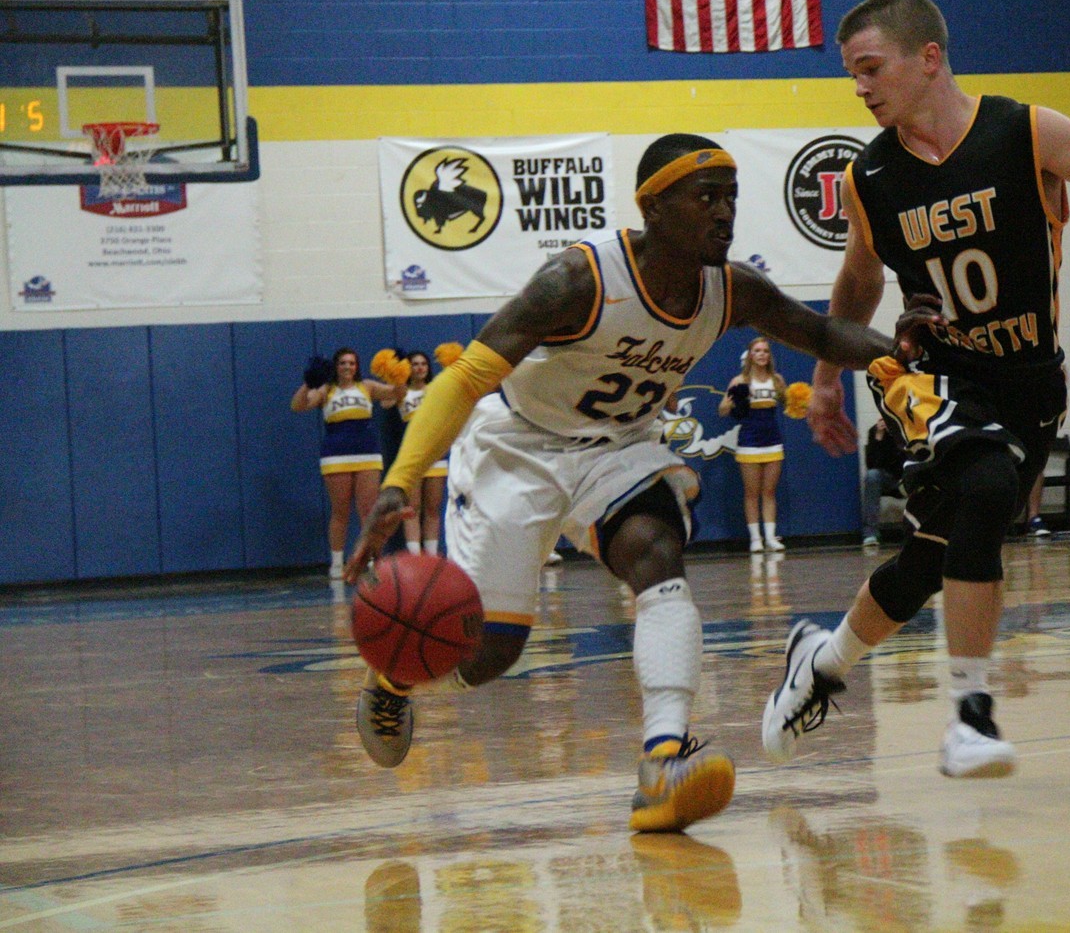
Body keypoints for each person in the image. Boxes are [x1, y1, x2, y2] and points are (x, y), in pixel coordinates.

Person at [342, 134, 933, 832]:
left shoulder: (732, 288)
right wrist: (401, 479)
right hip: (520, 449)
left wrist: (893, 360)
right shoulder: (580, 278)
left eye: (732, 197)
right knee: (487, 654)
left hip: (618, 449)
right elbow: (468, 377)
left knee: (658, 553)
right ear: (654, 209)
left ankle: (663, 761)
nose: (724, 212)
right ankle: (395, 674)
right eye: (706, 197)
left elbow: (821, 331)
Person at [764, 0, 1070, 778]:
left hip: (1029, 383)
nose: (862, 88)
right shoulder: (869, 176)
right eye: (854, 77)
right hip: (932, 376)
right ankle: (970, 714)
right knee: (980, 490)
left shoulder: (1024, 131)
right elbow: (860, 282)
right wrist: (828, 379)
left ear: (929, 57)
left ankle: (823, 660)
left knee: (935, 555)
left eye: (872, 69)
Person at [291, 348, 406, 576]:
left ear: (357, 366)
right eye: (343, 363)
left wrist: (398, 377)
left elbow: (398, 393)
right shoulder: (326, 390)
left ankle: (371, 559)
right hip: (336, 456)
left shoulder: (368, 386)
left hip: (367, 454)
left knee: (368, 511)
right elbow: (298, 405)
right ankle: (336, 562)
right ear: (336, 366)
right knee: (340, 511)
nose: (347, 367)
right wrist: (307, 383)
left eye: (352, 363)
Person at [718, 337, 788, 553]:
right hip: (748, 441)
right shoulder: (740, 381)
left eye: (765, 351)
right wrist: (726, 404)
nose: (761, 354)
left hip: (772, 441)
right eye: (757, 350)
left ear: (769, 355)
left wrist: (799, 400)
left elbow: (789, 403)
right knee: (751, 492)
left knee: (769, 492)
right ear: (750, 355)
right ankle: (755, 539)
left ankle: (770, 537)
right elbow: (722, 410)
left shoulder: (777, 380)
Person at [387, 349, 451, 554]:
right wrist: (396, 379)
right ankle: (415, 557)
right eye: (415, 364)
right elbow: (385, 402)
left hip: (436, 454)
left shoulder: (435, 388)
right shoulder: (401, 392)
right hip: (413, 456)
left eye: (423, 363)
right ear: (408, 368)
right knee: (412, 509)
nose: (420, 367)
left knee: (433, 509)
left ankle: (431, 556)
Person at [861, 416, 906, 547]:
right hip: (888, 479)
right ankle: (870, 533)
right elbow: (872, 465)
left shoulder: (907, 430)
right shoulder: (874, 432)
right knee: (872, 475)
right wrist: (878, 439)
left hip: (907, 475)